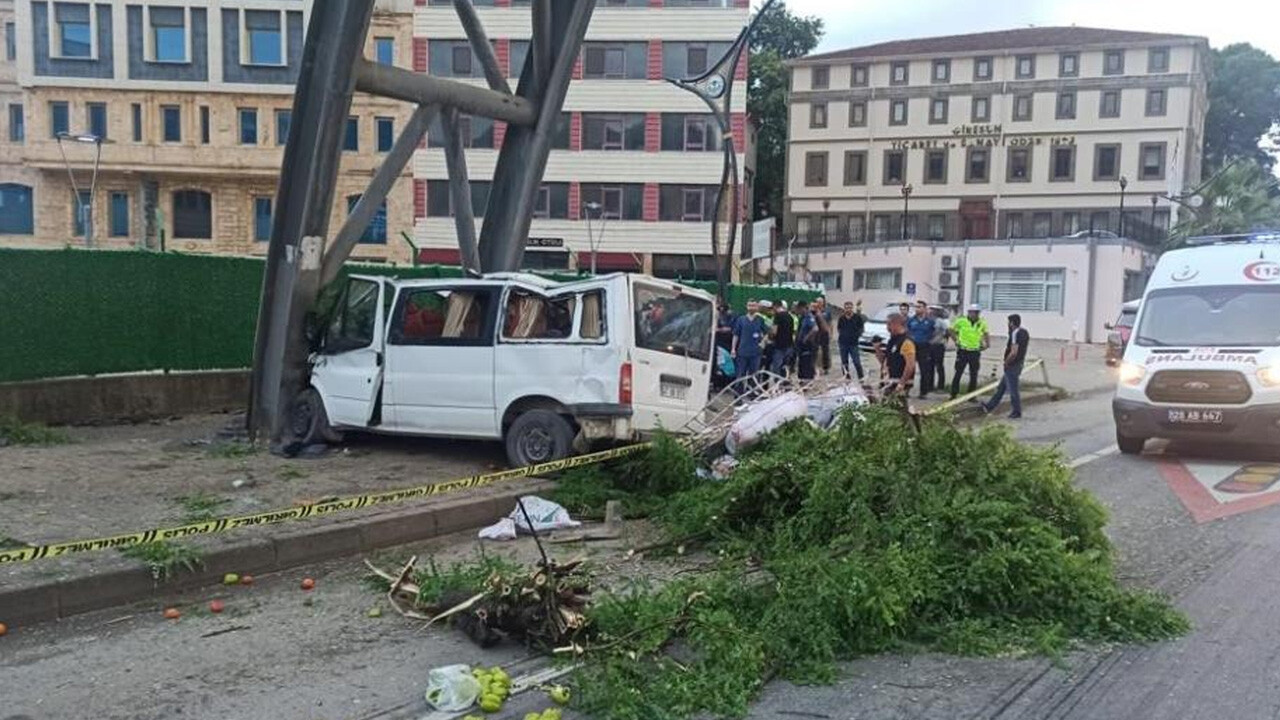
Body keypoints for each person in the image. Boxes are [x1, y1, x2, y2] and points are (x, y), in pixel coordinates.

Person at [982, 314, 1030, 418]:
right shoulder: (1024, 332)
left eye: (1008, 322)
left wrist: (1007, 362)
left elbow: (1014, 352)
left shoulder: (1015, 333)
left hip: (1012, 365)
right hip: (1019, 363)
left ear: (1012, 323)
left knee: (1013, 389)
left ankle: (1016, 411)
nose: (1007, 324)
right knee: (1001, 388)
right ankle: (990, 406)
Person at [949, 304, 990, 398]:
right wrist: (956, 340)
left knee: (974, 374)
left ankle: (972, 395)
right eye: (974, 312)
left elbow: (986, 333)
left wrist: (987, 344)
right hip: (963, 350)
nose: (975, 314)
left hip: (975, 351)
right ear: (969, 312)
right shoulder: (961, 321)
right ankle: (953, 394)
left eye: (977, 313)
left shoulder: (981, 322)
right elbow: (951, 330)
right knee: (958, 372)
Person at [875, 313, 916, 396]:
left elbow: (910, 365)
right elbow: (884, 361)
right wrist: (877, 349)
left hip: (898, 384)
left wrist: (902, 383)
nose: (887, 328)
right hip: (888, 383)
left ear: (895, 324)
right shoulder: (892, 340)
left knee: (898, 407)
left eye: (888, 325)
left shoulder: (906, 342)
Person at [905, 301, 936, 398]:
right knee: (910, 368)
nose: (917, 309)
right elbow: (907, 331)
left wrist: (930, 341)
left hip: (924, 347)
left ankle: (923, 392)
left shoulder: (930, 321)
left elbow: (935, 332)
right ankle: (907, 390)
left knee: (924, 370)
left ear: (924, 308)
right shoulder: (911, 320)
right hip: (912, 346)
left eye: (919, 307)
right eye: (916, 307)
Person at [731, 300, 768, 380]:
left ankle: (752, 392)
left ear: (757, 307)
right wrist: (733, 349)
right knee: (740, 374)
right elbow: (736, 335)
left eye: (753, 306)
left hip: (756, 352)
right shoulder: (741, 319)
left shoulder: (760, 320)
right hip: (742, 352)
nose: (751, 308)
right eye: (749, 305)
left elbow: (767, 333)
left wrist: (763, 342)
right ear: (746, 307)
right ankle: (739, 391)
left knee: (754, 375)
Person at [836, 300, 866, 380]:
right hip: (843, 343)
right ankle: (846, 377)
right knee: (844, 362)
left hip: (853, 344)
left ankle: (861, 377)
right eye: (846, 308)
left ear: (852, 308)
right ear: (844, 309)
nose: (848, 309)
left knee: (857, 362)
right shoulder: (841, 318)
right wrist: (843, 335)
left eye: (849, 308)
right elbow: (839, 329)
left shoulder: (857, 317)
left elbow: (861, 329)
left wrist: (857, 336)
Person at [770, 300, 796, 377]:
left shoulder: (777, 316)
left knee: (776, 368)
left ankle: (778, 385)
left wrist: (770, 337)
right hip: (789, 345)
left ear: (775, 306)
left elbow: (774, 331)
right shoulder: (790, 316)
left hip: (779, 346)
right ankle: (785, 384)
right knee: (785, 367)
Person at [795, 300, 818, 380]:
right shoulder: (802, 317)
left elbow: (815, 329)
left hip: (807, 345)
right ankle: (802, 381)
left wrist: (806, 337)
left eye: (799, 309)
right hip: (801, 345)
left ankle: (808, 382)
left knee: (807, 365)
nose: (798, 311)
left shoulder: (809, 316)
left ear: (803, 308)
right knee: (801, 365)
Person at [930, 307, 949, 393]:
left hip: (939, 345)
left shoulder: (941, 322)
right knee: (930, 367)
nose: (931, 312)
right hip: (930, 345)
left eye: (933, 310)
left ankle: (940, 386)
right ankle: (930, 386)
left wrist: (945, 341)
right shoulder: (929, 321)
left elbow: (947, 332)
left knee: (939, 366)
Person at [814, 297, 834, 375]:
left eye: (820, 302)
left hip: (824, 334)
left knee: (825, 350)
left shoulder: (827, 311)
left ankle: (826, 367)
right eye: (817, 302)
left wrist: (831, 333)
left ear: (823, 303)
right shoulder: (814, 311)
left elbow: (830, 323)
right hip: (816, 333)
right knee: (815, 350)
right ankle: (815, 367)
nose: (818, 303)